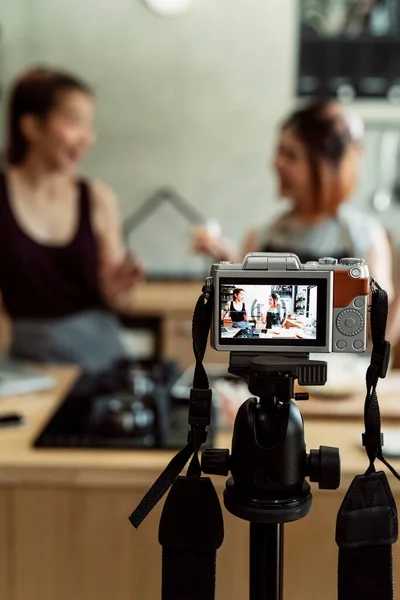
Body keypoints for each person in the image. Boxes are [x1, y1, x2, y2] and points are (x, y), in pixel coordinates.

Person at [0, 67, 144, 372]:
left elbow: (117, 304)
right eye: (74, 121)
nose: (87, 138)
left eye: (89, 125)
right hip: (29, 367)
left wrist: (117, 291)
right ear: (31, 126)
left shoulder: (97, 198)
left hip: (101, 362)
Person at [192, 99, 394, 303]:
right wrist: (229, 265)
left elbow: (376, 327)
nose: (276, 163)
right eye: (278, 152)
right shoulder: (262, 237)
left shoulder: (365, 238)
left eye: (291, 155)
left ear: (325, 167)